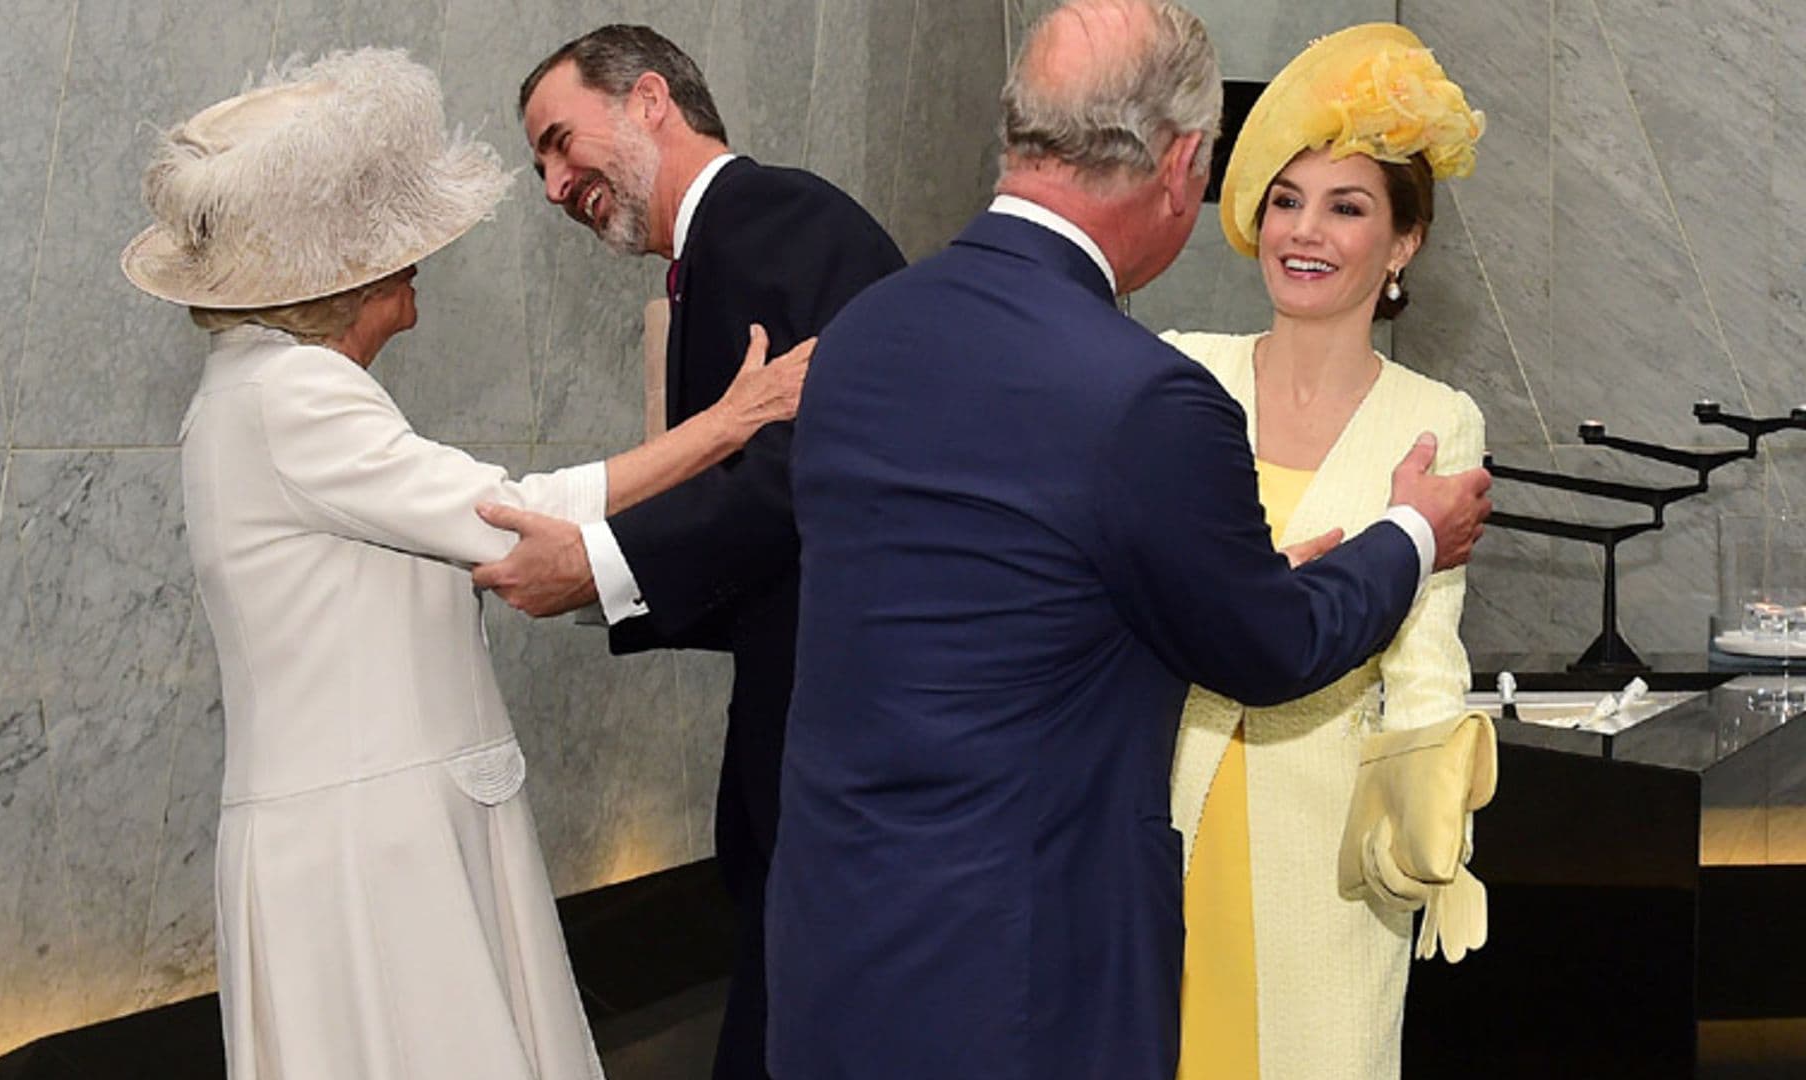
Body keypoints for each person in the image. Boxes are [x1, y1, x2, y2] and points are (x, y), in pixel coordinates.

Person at [767, 2, 1494, 1077]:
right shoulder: (1143, 389)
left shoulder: (868, 333)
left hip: (839, 938)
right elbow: (1265, 650)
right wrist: (1408, 533)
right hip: (1026, 966)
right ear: (1185, 167)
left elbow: (1000, 591)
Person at [121, 47, 808, 1080]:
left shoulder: (258, 389)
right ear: (337, 277)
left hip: (372, 831)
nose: (416, 261)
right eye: (394, 243)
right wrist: (732, 422)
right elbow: (509, 517)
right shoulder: (291, 393)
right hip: (373, 852)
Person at [472, 25, 906, 1080]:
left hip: (841, 746)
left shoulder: (779, 219)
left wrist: (601, 566)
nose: (550, 182)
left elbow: (820, 471)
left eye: (560, 142)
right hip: (801, 737)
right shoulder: (716, 253)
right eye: (538, 163)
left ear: (651, 100)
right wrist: (592, 571)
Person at [1164, 25, 1488, 1080]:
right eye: (1288, 199)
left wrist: (1428, 818)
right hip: (1161, 815)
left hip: (1335, 855)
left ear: (1402, 245)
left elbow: (1427, 645)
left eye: (1347, 207)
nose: (1304, 230)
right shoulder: (1181, 376)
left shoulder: (1436, 417)